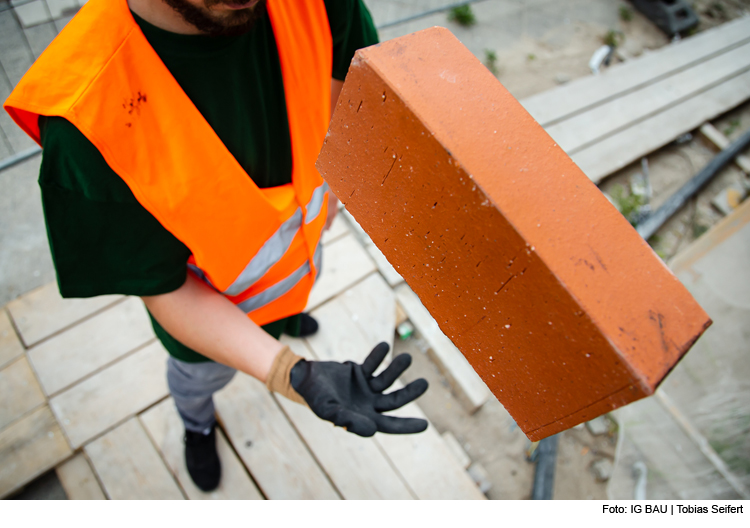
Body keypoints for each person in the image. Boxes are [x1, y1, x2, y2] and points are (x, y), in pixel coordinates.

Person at [4, 0, 429, 492]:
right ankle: (198, 423)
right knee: (198, 380)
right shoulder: (86, 114)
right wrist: (291, 373)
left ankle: (287, 317)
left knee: (295, 296)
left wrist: (333, 179)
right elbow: (164, 287)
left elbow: (344, 93)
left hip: (301, 254)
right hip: (207, 328)